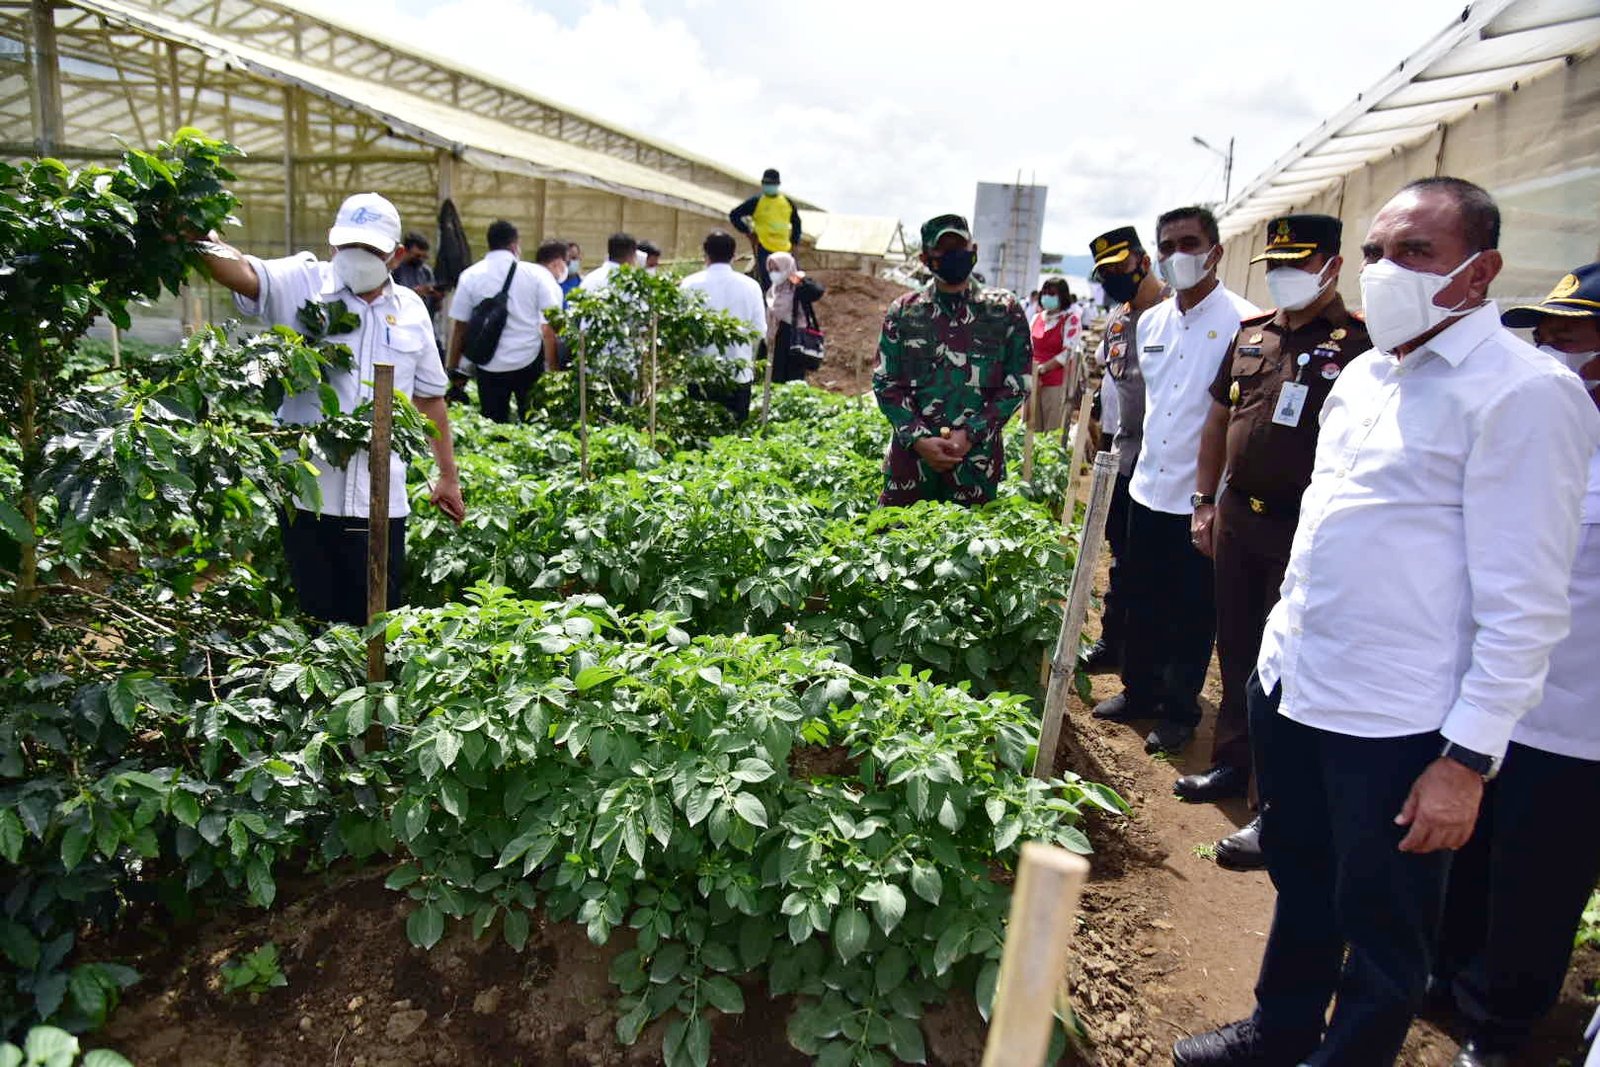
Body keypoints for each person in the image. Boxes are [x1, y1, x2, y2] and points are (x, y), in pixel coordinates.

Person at [1173, 178, 1600, 1067]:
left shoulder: (1523, 394)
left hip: (1398, 718)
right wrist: (1273, 667)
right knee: (1303, 877)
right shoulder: (1366, 373)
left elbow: (1527, 603)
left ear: (1480, 273)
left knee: (1385, 922)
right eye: (1374, 252)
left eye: (1416, 253)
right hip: (1299, 685)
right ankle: (1281, 1026)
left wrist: (1466, 761)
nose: (1385, 270)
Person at [1430, 262, 1600, 1067]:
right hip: (1491, 696)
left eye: (1577, 333)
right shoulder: (1532, 420)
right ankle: (1442, 978)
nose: (1554, 345)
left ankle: (1499, 1029)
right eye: (1549, 330)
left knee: (1538, 884)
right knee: (1467, 856)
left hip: (1578, 719)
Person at [1178, 215, 1369, 872]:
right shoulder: (1252, 334)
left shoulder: (1362, 345)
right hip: (1238, 516)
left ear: (1332, 267)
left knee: (1283, 664)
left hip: (1303, 528)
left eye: (1299, 260)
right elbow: (1218, 419)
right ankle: (1231, 762)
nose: (1284, 273)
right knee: (1234, 646)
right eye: (1277, 262)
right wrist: (1204, 500)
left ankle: (1274, 802)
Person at [188, 192, 466, 625]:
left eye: (371, 250)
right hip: (309, 498)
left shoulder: (410, 309)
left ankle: (370, 693)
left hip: (381, 500)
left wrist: (448, 476)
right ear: (332, 244)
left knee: (378, 621)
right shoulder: (302, 284)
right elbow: (240, 270)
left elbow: (430, 398)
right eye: (349, 245)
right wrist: (193, 227)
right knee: (318, 621)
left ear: (394, 256)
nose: (357, 257)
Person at [1093, 207, 1259, 754]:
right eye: (1168, 245)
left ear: (1215, 252)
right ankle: (1139, 690)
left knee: (1191, 611)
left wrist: (1212, 499)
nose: (1177, 254)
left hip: (1200, 497)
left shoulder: (1244, 322)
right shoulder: (1154, 323)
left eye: (1190, 243)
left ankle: (1179, 710)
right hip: (1146, 486)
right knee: (1142, 595)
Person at [872, 213, 1030, 507]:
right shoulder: (904, 312)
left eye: (960, 247)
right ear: (925, 259)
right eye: (943, 250)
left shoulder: (1004, 311)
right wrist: (919, 438)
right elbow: (885, 382)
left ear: (975, 250)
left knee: (968, 548)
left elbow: (1018, 384)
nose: (953, 256)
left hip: (975, 466)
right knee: (897, 546)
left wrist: (969, 435)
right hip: (912, 466)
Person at [1080, 226, 1166, 675]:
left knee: (1156, 569)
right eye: (1104, 272)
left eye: (1118, 267)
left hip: (1164, 461)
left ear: (1143, 262)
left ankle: (1148, 662)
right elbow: (1107, 377)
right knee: (1121, 557)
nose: (1111, 277)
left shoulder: (1174, 314)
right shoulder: (1117, 318)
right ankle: (1113, 644)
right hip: (1120, 457)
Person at [445, 220, 562, 424]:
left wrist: (454, 370)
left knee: (493, 425)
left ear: (489, 243)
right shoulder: (536, 274)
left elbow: (460, 328)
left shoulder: (470, 276)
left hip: (488, 363)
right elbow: (550, 324)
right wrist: (553, 368)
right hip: (529, 360)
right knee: (533, 424)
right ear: (515, 245)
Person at [680, 230, 766, 423]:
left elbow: (681, 331)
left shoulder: (689, 284)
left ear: (705, 254)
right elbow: (760, 330)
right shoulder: (750, 286)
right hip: (738, 373)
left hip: (701, 373)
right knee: (734, 436)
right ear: (734, 256)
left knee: (698, 437)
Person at [729, 167, 801, 293]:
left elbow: (797, 223)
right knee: (768, 285)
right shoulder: (756, 201)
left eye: (772, 184)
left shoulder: (787, 203)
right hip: (764, 248)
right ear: (762, 184)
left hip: (785, 249)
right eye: (766, 183)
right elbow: (734, 215)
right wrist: (748, 232)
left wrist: (794, 242)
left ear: (778, 184)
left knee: (789, 285)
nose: (769, 186)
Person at [1026, 277, 1082, 432]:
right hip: (1033, 380)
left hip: (1056, 382)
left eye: (1051, 293)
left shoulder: (1071, 320)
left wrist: (1043, 369)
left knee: (1052, 429)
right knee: (1031, 427)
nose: (1046, 297)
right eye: (1044, 293)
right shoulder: (1036, 318)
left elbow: (1067, 353)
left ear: (1062, 297)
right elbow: (1028, 346)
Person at [765, 250, 825, 384]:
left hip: (794, 336)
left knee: (793, 379)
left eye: (777, 269)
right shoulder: (773, 291)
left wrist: (801, 280)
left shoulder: (798, 287)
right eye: (771, 269)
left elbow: (817, 292)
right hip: (776, 336)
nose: (774, 273)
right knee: (775, 377)